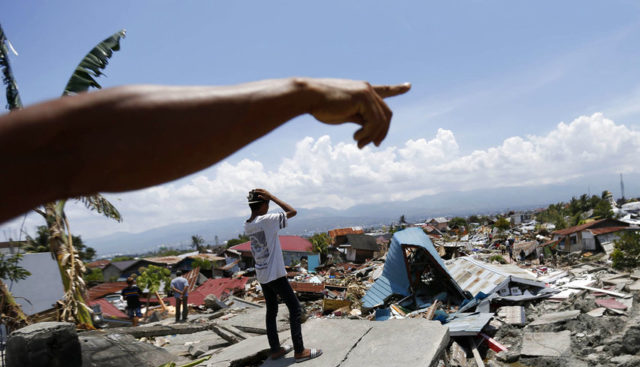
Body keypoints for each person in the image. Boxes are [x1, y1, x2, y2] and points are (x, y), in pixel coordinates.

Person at [0, 78, 410, 224]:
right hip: (276, 278)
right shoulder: (264, 223)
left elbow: (56, 155)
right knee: (287, 315)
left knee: (274, 315)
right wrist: (301, 95)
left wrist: (300, 96)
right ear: (261, 204)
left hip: (265, 279)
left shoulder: (249, 228)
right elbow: (65, 150)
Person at [245, 188, 321, 363]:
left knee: (271, 310)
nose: (269, 207)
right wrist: (272, 196)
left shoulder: (248, 223)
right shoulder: (267, 220)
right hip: (276, 274)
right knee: (295, 309)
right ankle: (300, 351)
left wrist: (267, 199)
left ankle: (276, 349)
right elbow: (292, 211)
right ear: (263, 204)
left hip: (263, 274)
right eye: (268, 204)